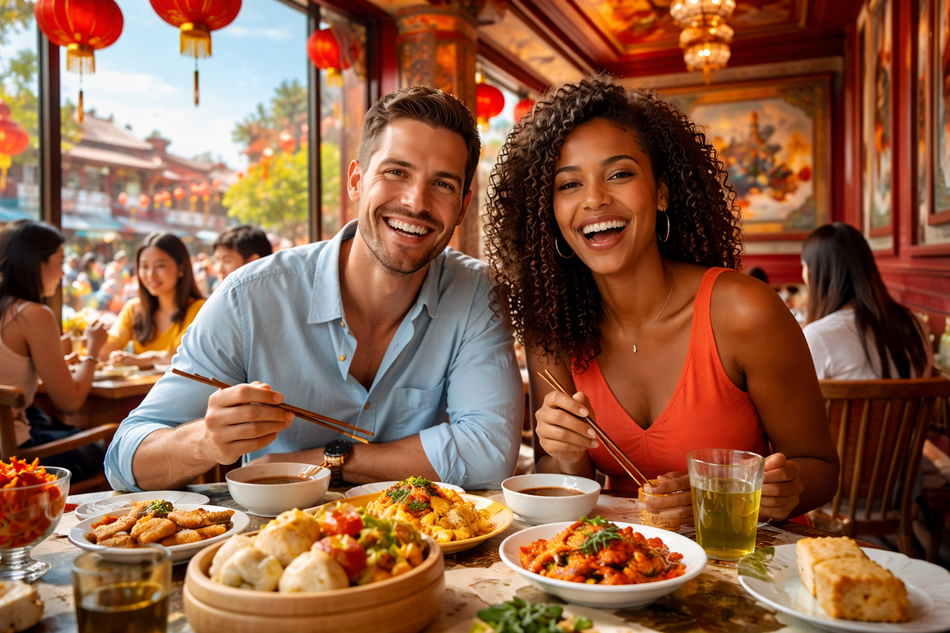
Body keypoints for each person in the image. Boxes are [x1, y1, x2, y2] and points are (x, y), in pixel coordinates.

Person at [104, 86, 524, 492]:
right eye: (396, 172)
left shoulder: (474, 292)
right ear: (356, 181)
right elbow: (125, 462)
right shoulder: (250, 298)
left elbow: (490, 452)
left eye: (443, 184)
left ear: (463, 207)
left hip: (422, 542)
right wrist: (205, 442)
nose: (416, 202)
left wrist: (322, 462)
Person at [483, 75, 839, 522]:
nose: (594, 199)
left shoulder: (744, 313)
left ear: (662, 191)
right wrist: (564, 448)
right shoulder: (552, 327)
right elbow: (560, 476)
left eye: (619, 174)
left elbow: (821, 469)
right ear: (549, 215)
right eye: (568, 184)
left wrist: (743, 492)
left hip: (751, 559)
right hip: (624, 566)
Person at [0, 220, 110, 481]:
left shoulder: (6, 309)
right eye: (60, 263)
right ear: (36, 262)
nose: (63, 274)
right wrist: (93, 347)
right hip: (15, 458)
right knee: (111, 448)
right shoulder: (32, 314)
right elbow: (69, 403)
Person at [801, 222, 933, 380]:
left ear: (815, 274)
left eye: (804, 266)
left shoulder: (816, 337)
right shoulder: (916, 324)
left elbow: (795, 402)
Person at [98, 232, 205, 370]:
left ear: (181, 268)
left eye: (160, 266)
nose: (150, 275)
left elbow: (179, 358)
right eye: (144, 266)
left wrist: (142, 360)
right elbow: (108, 348)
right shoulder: (134, 308)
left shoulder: (199, 309)